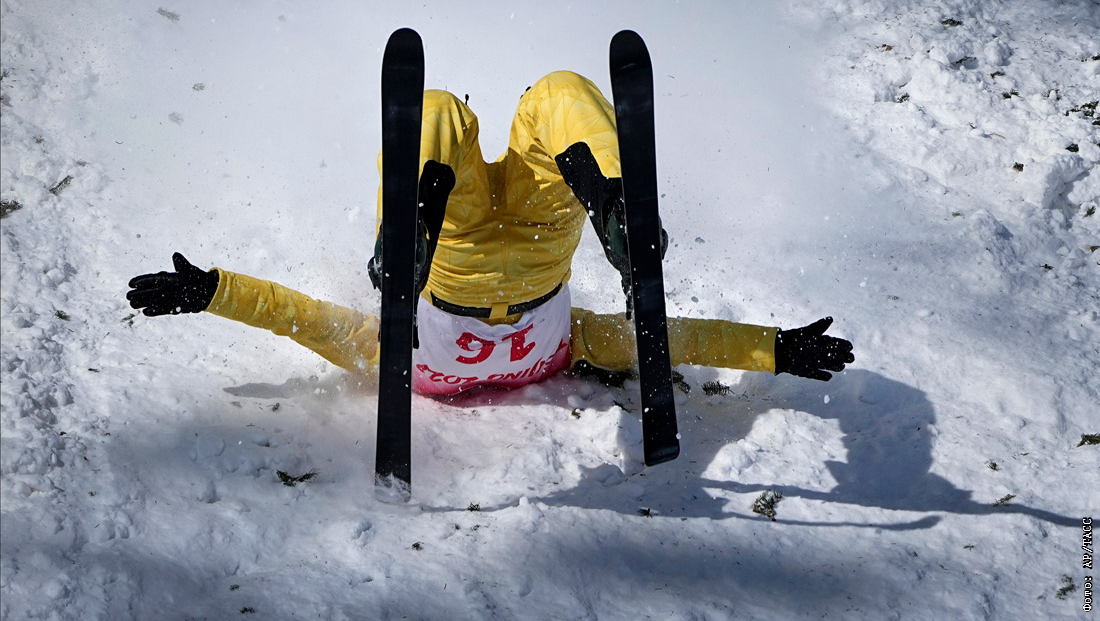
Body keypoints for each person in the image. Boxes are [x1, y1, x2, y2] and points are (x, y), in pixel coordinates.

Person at [126, 71, 853, 396]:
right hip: (542, 233)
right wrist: (772, 349)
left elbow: (303, 321)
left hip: (452, 239)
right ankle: (610, 201)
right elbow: (666, 340)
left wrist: (214, 291)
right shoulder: (570, 349)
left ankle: (420, 217)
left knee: (441, 110)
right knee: (554, 94)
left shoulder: (398, 357)